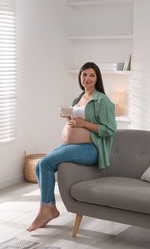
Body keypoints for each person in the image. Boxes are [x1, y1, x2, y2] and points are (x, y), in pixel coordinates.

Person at [27, 62, 117, 232]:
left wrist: (84, 123)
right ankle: (50, 208)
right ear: (80, 77)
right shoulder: (79, 98)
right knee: (40, 164)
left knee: (46, 163)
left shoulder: (102, 100)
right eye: (84, 75)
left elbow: (110, 130)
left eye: (91, 75)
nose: (87, 79)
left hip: (91, 148)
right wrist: (68, 119)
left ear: (97, 78)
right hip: (75, 145)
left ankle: (46, 210)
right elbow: (76, 123)